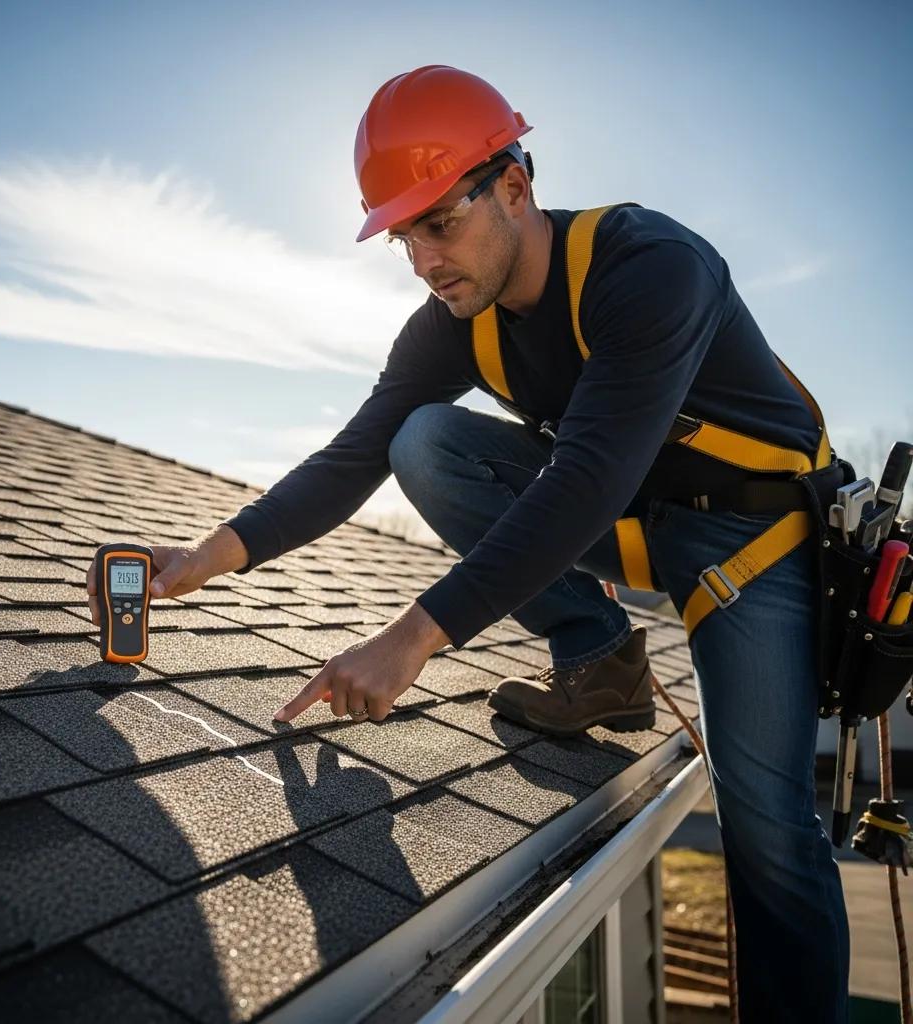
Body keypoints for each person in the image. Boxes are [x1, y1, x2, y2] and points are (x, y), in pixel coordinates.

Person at [86, 65, 850, 1020]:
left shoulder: (653, 268)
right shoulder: (455, 322)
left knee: (767, 827)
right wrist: (206, 555)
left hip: (757, 543)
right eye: (403, 237)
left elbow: (585, 481)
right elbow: (354, 456)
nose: (423, 260)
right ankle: (599, 657)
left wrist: (411, 638)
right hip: (638, 528)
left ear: (516, 188)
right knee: (423, 440)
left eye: (438, 224)